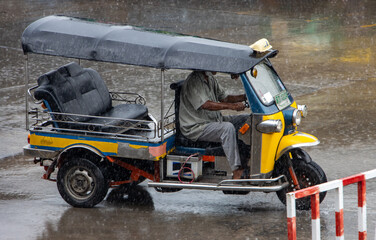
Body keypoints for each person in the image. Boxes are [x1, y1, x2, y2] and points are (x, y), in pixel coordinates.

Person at [179, 71, 250, 179]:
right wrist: (231, 106)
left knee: (247, 118)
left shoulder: (210, 77)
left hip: (212, 119)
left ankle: (248, 159)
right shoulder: (194, 81)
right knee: (227, 128)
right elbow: (205, 104)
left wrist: (246, 96)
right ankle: (236, 170)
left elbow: (224, 98)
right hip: (196, 127)